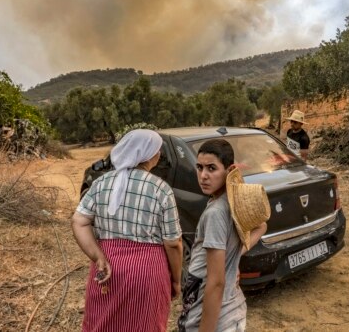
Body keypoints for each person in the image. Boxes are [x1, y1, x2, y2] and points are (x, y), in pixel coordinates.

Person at [71, 129, 183, 332]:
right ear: (150, 155)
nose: (159, 154)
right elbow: (173, 243)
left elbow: (79, 221)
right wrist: (176, 279)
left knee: (104, 323)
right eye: (158, 151)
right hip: (148, 272)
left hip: (108, 268)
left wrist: (98, 257)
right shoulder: (161, 189)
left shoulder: (101, 183)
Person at [178, 139, 269, 332]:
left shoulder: (215, 213)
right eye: (199, 167)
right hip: (232, 310)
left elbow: (216, 283)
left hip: (216, 319)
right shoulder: (232, 202)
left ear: (229, 170)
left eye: (212, 168)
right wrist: (233, 256)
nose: (203, 176)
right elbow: (261, 226)